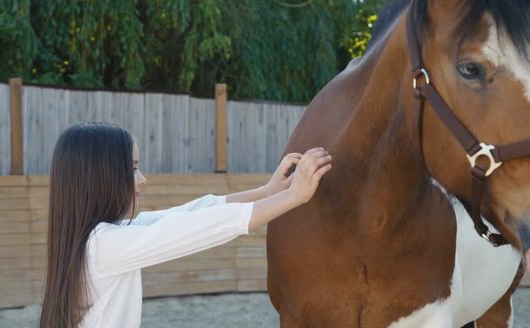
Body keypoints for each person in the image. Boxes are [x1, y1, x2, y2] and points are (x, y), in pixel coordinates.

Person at [39, 122, 332, 328]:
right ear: (100, 177)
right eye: (133, 168)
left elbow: (187, 215)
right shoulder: (103, 245)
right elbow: (197, 229)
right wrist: (294, 196)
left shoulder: (98, 240)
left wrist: (267, 192)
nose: (142, 180)